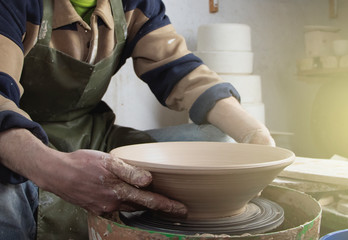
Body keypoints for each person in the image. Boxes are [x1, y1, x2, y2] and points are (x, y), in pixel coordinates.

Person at [0, 0, 275, 239]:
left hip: (93, 134)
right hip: (20, 141)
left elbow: (179, 70)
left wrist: (253, 132)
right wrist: (53, 170)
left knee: (219, 143)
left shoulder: (134, 3)